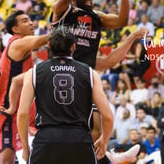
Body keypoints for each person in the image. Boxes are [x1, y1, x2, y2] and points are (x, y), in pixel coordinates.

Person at [16, 27, 114, 163]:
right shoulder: (90, 73)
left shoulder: (33, 72)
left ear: (48, 45)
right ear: (73, 46)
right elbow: (108, 116)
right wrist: (104, 140)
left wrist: (25, 148)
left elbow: (22, 114)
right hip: (79, 139)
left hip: (46, 140)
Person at [51, 0, 130, 70]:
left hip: (85, 73)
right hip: (61, 69)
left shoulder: (97, 16)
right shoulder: (63, 11)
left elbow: (122, 21)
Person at [0, 10, 50, 164]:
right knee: (7, 159)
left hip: (22, 106)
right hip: (9, 110)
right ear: (15, 29)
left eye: (30, 19)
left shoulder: (20, 44)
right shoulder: (18, 43)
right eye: (25, 21)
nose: (31, 23)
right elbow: (41, 41)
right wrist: (64, 28)